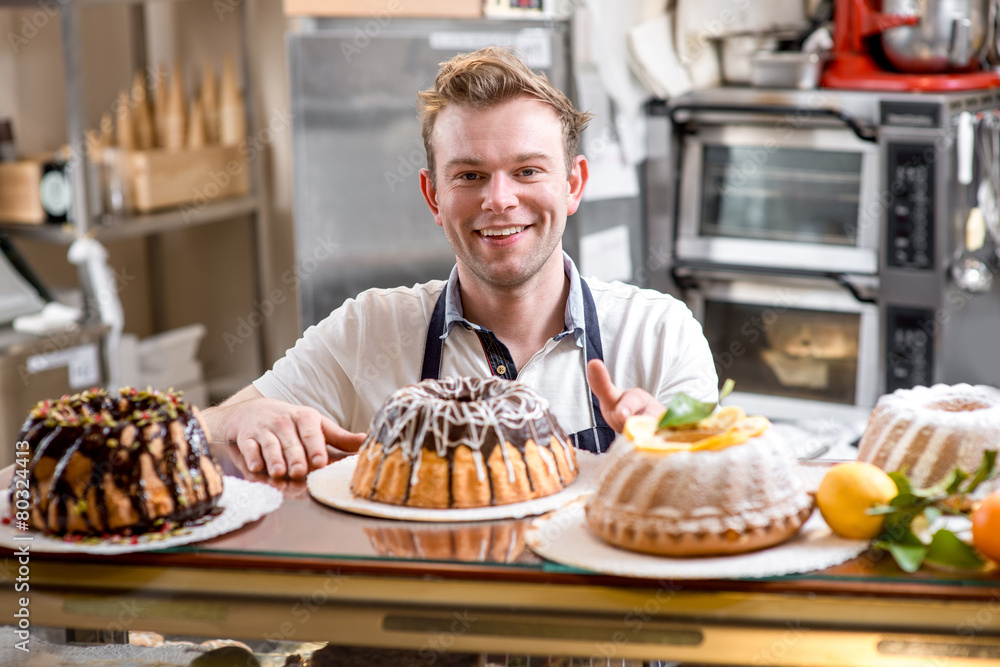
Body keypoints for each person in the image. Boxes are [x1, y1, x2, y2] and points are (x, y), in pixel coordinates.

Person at [202, 47, 718, 479]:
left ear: (573, 185)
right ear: (433, 196)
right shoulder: (368, 331)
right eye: (469, 176)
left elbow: (718, 497)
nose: (499, 199)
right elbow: (196, 431)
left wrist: (674, 452)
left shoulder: (659, 334)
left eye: (527, 170)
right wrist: (237, 422)